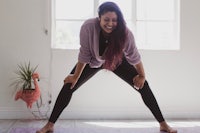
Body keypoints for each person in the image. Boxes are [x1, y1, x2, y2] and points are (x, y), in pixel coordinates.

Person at [36, 2, 177, 133]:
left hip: (117, 61)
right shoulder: (88, 27)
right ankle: (50, 125)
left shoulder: (125, 33)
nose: (110, 24)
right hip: (92, 61)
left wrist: (142, 76)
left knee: (144, 85)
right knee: (69, 85)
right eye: (106, 19)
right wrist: (75, 76)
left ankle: (163, 124)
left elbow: (134, 56)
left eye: (114, 20)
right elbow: (84, 54)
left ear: (119, 20)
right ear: (99, 19)